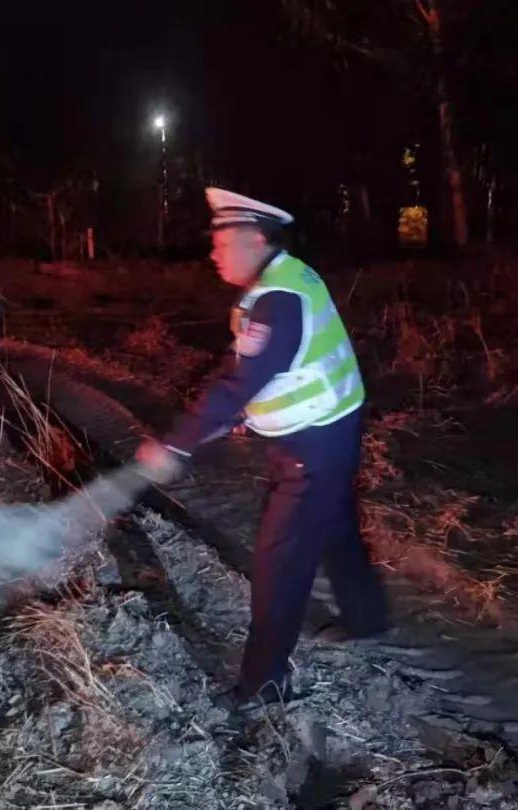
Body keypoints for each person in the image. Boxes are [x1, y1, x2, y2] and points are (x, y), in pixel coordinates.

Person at [136, 188, 390, 710]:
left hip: (312, 445)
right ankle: (366, 618)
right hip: (329, 430)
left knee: (280, 563)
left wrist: (177, 444)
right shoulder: (287, 278)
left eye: (221, 242)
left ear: (253, 239)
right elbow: (269, 370)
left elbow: (242, 381)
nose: (213, 253)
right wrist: (240, 417)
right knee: (335, 526)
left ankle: (265, 686)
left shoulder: (278, 298)